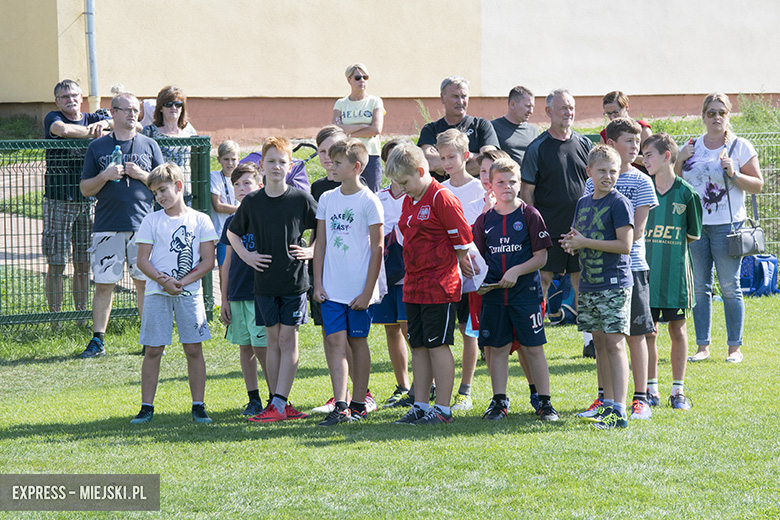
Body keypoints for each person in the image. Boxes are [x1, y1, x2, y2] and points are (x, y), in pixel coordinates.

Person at [227, 137, 317, 422]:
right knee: (273, 341)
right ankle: (279, 402)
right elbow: (232, 233)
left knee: (288, 339)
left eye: (282, 161)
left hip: (293, 282)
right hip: (264, 284)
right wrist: (248, 257)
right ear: (261, 166)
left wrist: (312, 250)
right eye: (271, 161)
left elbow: (321, 227)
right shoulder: (253, 201)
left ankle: (279, 402)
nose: (276, 166)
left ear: (290, 166)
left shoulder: (300, 198)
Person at [385, 142, 473, 425]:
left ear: (421, 171)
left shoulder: (441, 198)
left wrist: (462, 262)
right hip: (413, 285)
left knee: (438, 346)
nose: (401, 189)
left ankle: (443, 409)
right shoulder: (410, 199)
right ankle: (421, 404)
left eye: (405, 182)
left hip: (439, 286)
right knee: (419, 346)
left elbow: (463, 240)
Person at [577, 118, 658, 421]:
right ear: (610, 145)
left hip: (630, 268)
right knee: (601, 338)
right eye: (629, 141)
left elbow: (635, 233)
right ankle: (605, 398)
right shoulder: (591, 182)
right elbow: (586, 220)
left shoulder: (641, 181)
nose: (635, 147)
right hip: (596, 272)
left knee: (633, 335)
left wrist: (592, 241)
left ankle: (640, 398)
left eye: (638, 142)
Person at [676, 93, 763, 364]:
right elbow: (676, 181)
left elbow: (758, 185)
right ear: (703, 116)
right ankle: (703, 347)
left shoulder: (739, 146)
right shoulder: (691, 146)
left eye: (721, 113)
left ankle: (734, 348)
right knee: (700, 287)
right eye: (711, 113)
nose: (716, 118)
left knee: (729, 286)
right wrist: (679, 159)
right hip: (697, 226)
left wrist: (734, 173)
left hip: (729, 225)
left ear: (728, 116)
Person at [129, 162, 217, 424]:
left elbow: (207, 261)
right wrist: (163, 281)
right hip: (157, 294)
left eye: (163, 190)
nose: (159, 197)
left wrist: (182, 281)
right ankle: (147, 407)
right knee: (153, 350)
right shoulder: (151, 220)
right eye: (155, 193)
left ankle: (198, 405)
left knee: (193, 348)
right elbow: (143, 260)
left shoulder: (200, 219)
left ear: (179, 186)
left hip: (190, 295)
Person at [472, 157, 558, 421]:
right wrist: (478, 280)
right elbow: (476, 258)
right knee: (496, 348)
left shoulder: (530, 215)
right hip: (495, 297)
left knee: (533, 347)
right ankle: (499, 401)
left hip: (526, 296)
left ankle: (545, 403)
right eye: (501, 182)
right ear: (490, 186)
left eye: (512, 181)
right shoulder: (484, 220)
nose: (507, 186)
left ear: (520, 184)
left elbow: (541, 258)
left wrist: (516, 271)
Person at [79, 92, 164, 358]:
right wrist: (104, 176)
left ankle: (149, 339)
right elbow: (84, 189)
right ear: (113, 112)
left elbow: (165, 186)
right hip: (107, 226)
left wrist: (143, 175)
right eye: (126, 110)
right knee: (105, 284)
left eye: (135, 110)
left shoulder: (149, 145)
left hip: (142, 226)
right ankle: (98, 340)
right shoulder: (98, 147)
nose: (132, 115)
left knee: (143, 283)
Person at [561, 145, 634, 430]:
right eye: (602, 171)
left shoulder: (619, 203)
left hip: (613, 283)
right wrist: (571, 243)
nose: (608, 176)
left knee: (615, 345)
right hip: (590, 284)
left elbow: (625, 246)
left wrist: (585, 243)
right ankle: (605, 403)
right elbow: (579, 235)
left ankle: (619, 410)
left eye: (613, 171)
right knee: (600, 344)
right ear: (588, 172)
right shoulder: (583, 202)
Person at [312, 139, 384, 426]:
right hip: (331, 288)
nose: (331, 165)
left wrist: (368, 291)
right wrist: (317, 283)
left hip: (359, 290)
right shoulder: (328, 198)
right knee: (335, 341)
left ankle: (358, 402)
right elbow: (320, 245)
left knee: (357, 341)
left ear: (356, 167)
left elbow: (378, 248)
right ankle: (340, 405)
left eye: (338, 162)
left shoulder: (369, 201)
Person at [43, 79, 112, 328]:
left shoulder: (93, 116)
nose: (70, 100)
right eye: (64, 97)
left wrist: (103, 123)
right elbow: (64, 131)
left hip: (89, 200)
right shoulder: (52, 117)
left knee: (83, 262)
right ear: (57, 101)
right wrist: (95, 132)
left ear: (81, 97)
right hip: (59, 200)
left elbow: (121, 123)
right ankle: (55, 320)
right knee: (57, 262)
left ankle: (82, 317)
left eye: (74, 95)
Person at [520, 89, 592, 321]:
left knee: (581, 279)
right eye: (563, 108)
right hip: (549, 228)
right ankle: (535, 328)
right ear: (549, 111)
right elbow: (527, 191)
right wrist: (535, 228)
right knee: (543, 279)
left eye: (571, 107)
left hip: (581, 227)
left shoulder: (584, 144)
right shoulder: (537, 148)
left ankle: (589, 338)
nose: (568, 112)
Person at [642, 133, 702, 410]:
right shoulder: (644, 191)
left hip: (676, 277)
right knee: (648, 332)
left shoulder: (686, 193)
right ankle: (650, 389)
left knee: (677, 330)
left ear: (667, 156)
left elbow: (691, 235)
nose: (644, 160)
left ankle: (678, 391)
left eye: (649, 155)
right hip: (646, 277)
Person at [438, 129, 485, 412]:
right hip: (443, 271)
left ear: (466, 156)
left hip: (472, 272)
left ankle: (465, 390)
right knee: (441, 331)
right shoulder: (439, 189)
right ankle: (435, 385)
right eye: (442, 158)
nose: (447, 162)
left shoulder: (479, 189)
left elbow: (479, 232)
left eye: (452, 156)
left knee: (470, 331)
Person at [219, 162, 269, 416]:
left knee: (263, 348)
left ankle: (276, 398)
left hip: (261, 293)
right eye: (236, 184)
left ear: (260, 185)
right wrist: (224, 298)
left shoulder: (267, 215)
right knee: (245, 347)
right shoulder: (230, 221)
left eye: (246, 182)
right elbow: (226, 262)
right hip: (237, 293)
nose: (241, 187)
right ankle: (254, 398)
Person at [373, 139, 412, 408]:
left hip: (411, 272)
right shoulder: (378, 197)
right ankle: (403, 385)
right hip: (386, 273)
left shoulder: (417, 194)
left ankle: (425, 384)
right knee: (391, 328)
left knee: (409, 328)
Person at [417, 76, 499, 180]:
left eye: (464, 96)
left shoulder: (481, 126)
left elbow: (490, 160)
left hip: (475, 192)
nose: (460, 101)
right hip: (441, 192)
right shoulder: (430, 130)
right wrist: (471, 157)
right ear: (442, 98)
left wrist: (445, 163)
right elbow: (429, 161)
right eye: (455, 96)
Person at [332, 64, 385, 192]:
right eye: (357, 77)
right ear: (349, 80)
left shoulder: (375, 101)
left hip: (370, 155)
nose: (362, 80)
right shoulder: (341, 103)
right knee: (349, 192)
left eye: (365, 77)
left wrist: (348, 131)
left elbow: (376, 129)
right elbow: (335, 131)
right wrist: (362, 126)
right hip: (347, 155)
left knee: (372, 193)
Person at [142, 86, 197, 200]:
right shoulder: (150, 132)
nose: (174, 108)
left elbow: (197, 161)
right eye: (168, 104)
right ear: (160, 108)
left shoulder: (190, 131)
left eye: (178, 104)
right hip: (159, 193)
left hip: (185, 192)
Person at [211, 140, 240, 280]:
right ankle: (224, 299)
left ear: (238, 159)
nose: (230, 163)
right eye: (226, 159)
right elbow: (218, 206)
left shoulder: (242, 178)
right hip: (222, 231)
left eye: (233, 159)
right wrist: (240, 209)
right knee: (224, 271)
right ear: (219, 160)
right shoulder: (215, 177)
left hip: (239, 231)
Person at [491, 86, 540, 168]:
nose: (531, 111)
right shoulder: (493, 128)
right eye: (528, 106)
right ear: (512, 104)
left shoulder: (534, 131)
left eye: (532, 107)